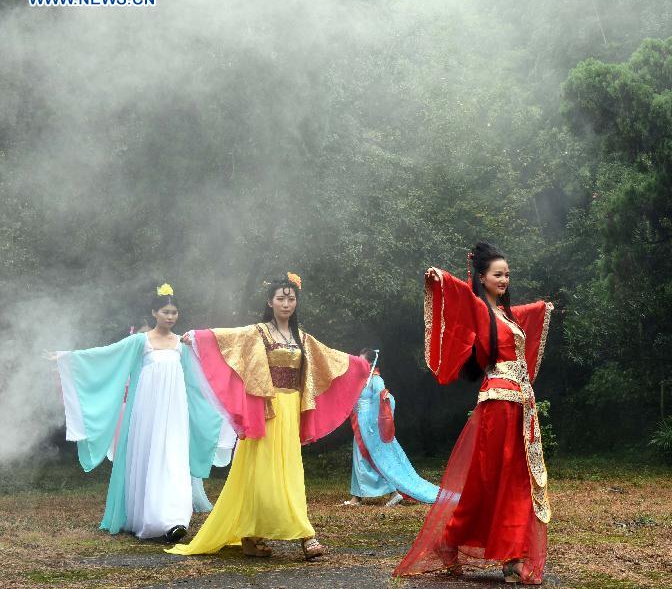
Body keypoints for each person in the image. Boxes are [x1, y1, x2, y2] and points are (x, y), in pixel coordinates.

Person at [166, 273, 370, 560]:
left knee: (289, 471)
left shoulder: (302, 338)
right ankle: (303, 535)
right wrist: (199, 338)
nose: (286, 303)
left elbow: (330, 358)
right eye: (281, 298)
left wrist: (358, 366)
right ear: (269, 301)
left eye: (291, 298)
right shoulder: (258, 332)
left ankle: (255, 535)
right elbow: (229, 339)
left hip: (291, 409)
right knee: (260, 472)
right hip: (266, 411)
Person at [393, 242, 554, 585]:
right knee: (491, 479)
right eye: (498, 274)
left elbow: (523, 315)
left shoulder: (507, 316)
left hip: (521, 405)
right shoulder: (481, 311)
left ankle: (511, 556)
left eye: (508, 274)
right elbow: (461, 298)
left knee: (515, 479)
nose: (504, 279)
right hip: (498, 403)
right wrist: (441, 277)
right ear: (482, 278)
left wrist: (543, 307)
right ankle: (455, 541)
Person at [51, 284, 227, 542]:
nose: (170, 316)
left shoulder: (182, 344)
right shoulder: (140, 341)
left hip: (175, 413)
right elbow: (106, 355)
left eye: (174, 312)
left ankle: (175, 519)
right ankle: (149, 516)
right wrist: (69, 358)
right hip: (147, 412)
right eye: (166, 311)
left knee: (173, 457)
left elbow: (202, 374)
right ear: (154, 312)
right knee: (148, 457)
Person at [343, 349, 438, 507]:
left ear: (371, 363)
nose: (359, 364)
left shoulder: (376, 380)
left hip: (370, 425)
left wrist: (384, 399)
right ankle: (357, 496)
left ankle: (393, 492)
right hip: (360, 423)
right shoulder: (361, 379)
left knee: (378, 459)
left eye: (362, 361)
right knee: (359, 459)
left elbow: (383, 400)